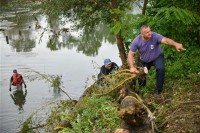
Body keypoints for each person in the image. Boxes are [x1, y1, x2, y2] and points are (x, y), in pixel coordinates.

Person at [128, 25, 185, 94]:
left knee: (160, 68)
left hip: (157, 57)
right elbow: (130, 54)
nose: (150, 33)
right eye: (147, 32)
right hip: (145, 60)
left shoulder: (155, 36)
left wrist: (176, 44)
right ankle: (142, 90)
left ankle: (158, 90)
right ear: (142, 34)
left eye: (150, 31)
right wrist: (131, 67)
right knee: (140, 74)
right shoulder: (137, 41)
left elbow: (166, 40)